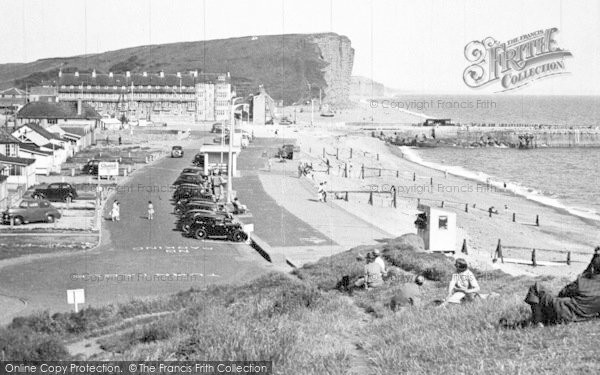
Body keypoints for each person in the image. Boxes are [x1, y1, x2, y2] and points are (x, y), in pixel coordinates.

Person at [522, 247, 600, 327]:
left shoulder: (581, 282)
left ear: (592, 268)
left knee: (535, 288)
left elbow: (562, 293)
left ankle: (537, 321)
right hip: (584, 317)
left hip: (564, 314)